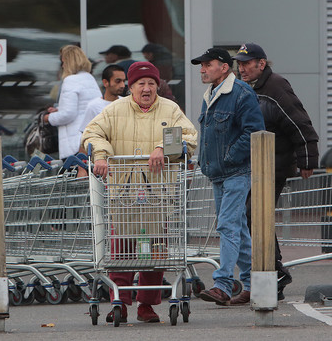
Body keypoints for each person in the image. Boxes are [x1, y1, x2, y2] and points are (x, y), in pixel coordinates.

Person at [81, 61, 197, 323]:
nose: (147, 89)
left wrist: (162, 147)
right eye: (141, 84)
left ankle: (147, 304)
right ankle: (118, 300)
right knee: (121, 250)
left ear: (158, 86)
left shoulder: (170, 109)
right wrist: (101, 155)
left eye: (152, 84)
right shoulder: (114, 110)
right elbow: (92, 133)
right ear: (131, 87)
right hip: (124, 193)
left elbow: (190, 137)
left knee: (154, 252)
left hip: (158, 193)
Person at [234, 42, 319, 302]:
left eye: (247, 63)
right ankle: (269, 274)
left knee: (252, 215)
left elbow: (299, 122)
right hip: (252, 165)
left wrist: (307, 160)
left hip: (274, 164)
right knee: (249, 217)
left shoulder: (275, 86)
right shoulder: (245, 88)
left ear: (262, 63)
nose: (242, 68)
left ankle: (273, 273)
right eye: (239, 63)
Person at [191, 47, 265, 306]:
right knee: (239, 229)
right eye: (201, 65)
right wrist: (207, 162)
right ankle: (254, 282)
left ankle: (223, 285)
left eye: (207, 64)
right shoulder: (211, 93)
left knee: (227, 225)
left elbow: (254, 131)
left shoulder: (241, 93)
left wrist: (229, 157)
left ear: (224, 67)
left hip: (237, 172)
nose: (202, 69)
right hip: (219, 173)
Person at [43, 45, 101, 159]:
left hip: (74, 143)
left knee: (72, 173)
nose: (62, 65)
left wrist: (48, 118)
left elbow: (68, 114)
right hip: (90, 140)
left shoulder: (70, 80)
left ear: (69, 62)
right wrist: (59, 109)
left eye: (63, 61)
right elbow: (84, 106)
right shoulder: (89, 78)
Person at [79, 64, 126, 130]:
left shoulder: (128, 103)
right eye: (118, 81)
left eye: (123, 81)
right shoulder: (93, 106)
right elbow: (86, 133)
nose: (122, 85)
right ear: (105, 82)